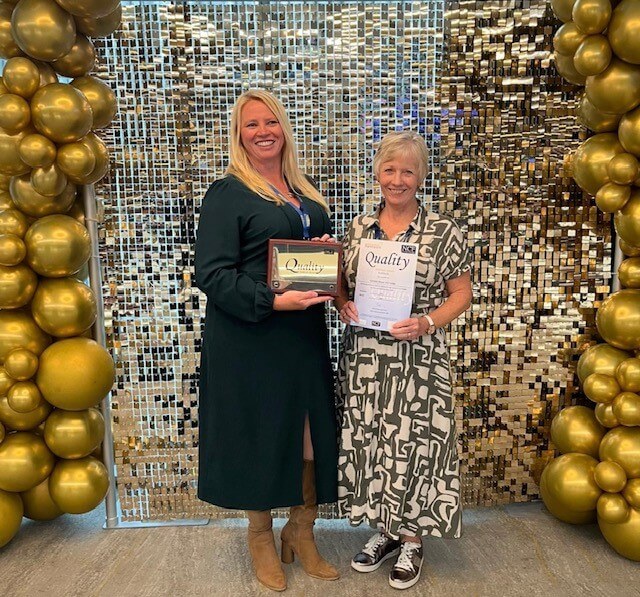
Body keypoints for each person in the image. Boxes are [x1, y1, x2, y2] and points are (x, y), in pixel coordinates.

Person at [195, 89, 339, 592]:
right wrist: (273, 301)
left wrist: (324, 252)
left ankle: (301, 531)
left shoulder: (303, 191)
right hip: (250, 338)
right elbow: (212, 274)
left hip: (302, 336)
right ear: (239, 134)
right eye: (251, 124)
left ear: (284, 128)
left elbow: (305, 258)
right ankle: (260, 535)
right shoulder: (228, 192)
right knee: (258, 432)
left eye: (270, 121)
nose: (263, 131)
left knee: (308, 434)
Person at [335, 131, 472, 590]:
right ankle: (387, 530)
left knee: (416, 444)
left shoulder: (443, 231)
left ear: (421, 177)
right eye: (389, 169)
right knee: (375, 441)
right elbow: (341, 285)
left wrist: (428, 322)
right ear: (377, 172)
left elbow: (462, 294)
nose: (397, 180)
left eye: (407, 171)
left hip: (418, 359)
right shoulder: (357, 228)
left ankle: (412, 539)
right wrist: (342, 304)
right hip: (366, 361)